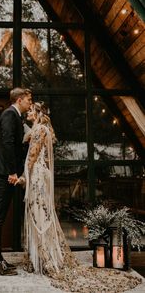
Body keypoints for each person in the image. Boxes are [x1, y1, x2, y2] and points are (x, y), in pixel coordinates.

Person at [16, 102, 141, 293]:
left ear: (39, 113)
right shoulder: (43, 130)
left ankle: (45, 258)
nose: (28, 114)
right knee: (42, 213)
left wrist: (24, 176)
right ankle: (40, 256)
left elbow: (32, 156)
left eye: (31, 111)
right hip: (42, 175)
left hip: (38, 177)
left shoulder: (39, 130)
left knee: (38, 214)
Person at [0, 87, 32, 276]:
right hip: (5, 172)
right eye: (29, 100)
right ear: (20, 99)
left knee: (1, 214)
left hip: (9, 172)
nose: (30, 103)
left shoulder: (16, 117)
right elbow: (6, 143)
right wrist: (13, 172)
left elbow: (14, 144)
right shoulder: (9, 114)